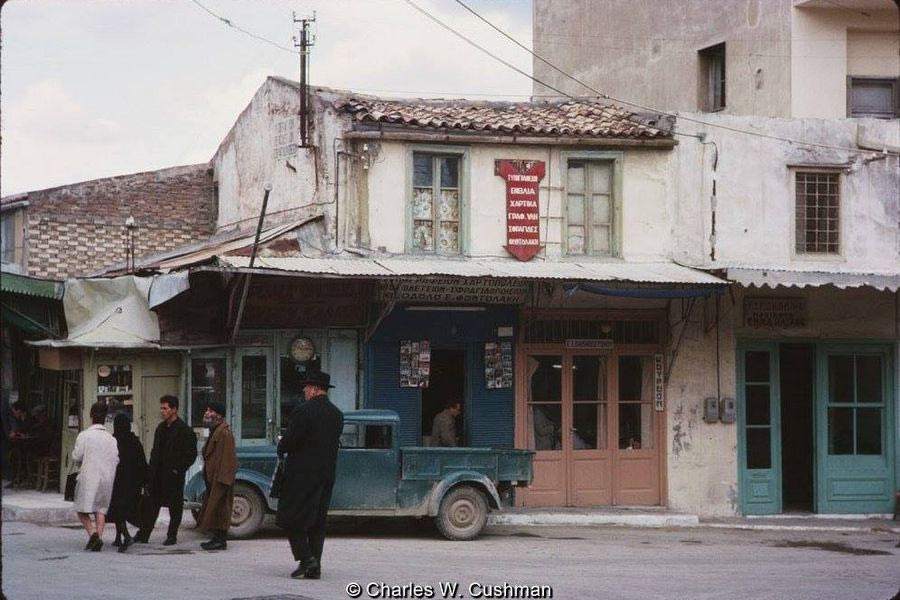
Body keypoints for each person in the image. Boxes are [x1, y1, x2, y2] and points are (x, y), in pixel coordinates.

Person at [276, 370, 343, 580]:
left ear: (313, 389)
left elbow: (290, 440)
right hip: (326, 475)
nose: (304, 391)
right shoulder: (337, 414)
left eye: (306, 387)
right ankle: (315, 567)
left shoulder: (303, 411)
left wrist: (281, 444)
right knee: (317, 522)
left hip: (301, 475)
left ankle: (306, 559)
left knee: (289, 517)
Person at [134, 395, 197, 546]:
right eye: (161, 408)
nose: (162, 411)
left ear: (174, 409)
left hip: (173, 475)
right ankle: (144, 533)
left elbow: (191, 455)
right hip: (157, 474)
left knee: (174, 507)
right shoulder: (161, 428)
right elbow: (155, 452)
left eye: (165, 408)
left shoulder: (184, 430)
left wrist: (178, 469)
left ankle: (172, 535)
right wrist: (150, 472)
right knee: (151, 505)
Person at [71, 402, 119, 552]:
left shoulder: (84, 436)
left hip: (88, 477)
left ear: (91, 416)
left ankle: (93, 534)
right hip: (106, 478)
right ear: (106, 418)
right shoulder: (111, 439)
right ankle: (99, 536)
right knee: (101, 509)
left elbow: (77, 456)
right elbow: (116, 459)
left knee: (81, 508)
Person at [196, 401, 237, 551]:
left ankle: (220, 539)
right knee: (216, 508)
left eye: (210, 411)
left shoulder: (224, 433)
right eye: (207, 410)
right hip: (214, 478)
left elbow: (228, 459)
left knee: (221, 508)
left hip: (221, 479)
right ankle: (217, 538)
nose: (207, 413)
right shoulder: (216, 431)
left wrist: (223, 481)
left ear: (219, 415)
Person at [107, 413, 148, 553]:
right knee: (122, 510)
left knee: (117, 510)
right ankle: (119, 537)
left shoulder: (114, 441)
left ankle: (125, 536)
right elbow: (142, 462)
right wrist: (144, 481)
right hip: (133, 483)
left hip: (118, 481)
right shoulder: (135, 441)